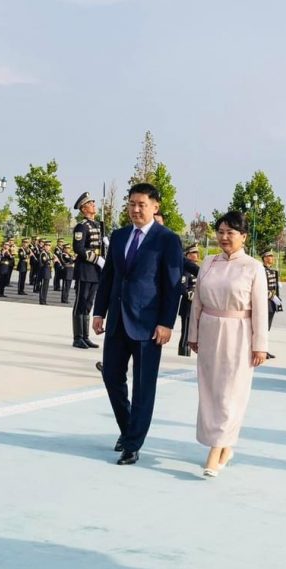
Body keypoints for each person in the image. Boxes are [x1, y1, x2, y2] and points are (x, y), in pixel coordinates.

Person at [92, 182, 183, 466]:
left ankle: (132, 444)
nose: (135, 209)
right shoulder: (119, 237)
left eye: (141, 204)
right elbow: (109, 276)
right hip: (118, 321)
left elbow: (172, 285)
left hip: (148, 326)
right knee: (111, 376)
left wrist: (166, 323)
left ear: (155, 206)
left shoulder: (167, 239)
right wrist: (99, 311)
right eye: (131, 203)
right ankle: (128, 427)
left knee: (144, 386)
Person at [187, 211, 267, 478]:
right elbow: (196, 302)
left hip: (239, 334)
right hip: (209, 331)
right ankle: (224, 445)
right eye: (220, 231)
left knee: (230, 393)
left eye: (230, 232)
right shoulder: (208, 262)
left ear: (243, 236)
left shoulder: (253, 267)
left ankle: (216, 449)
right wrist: (193, 334)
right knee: (210, 392)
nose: (224, 237)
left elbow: (260, 310)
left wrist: (260, 345)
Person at [72, 192, 105, 349]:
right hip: (85, 270)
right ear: (84, 209)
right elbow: (78, 248)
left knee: (88, 304)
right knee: (80, 303)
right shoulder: (81, 226)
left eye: (93, 203)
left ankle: (85, 336)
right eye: (91, 204)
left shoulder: (97, 226)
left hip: (95, 272)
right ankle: (77, 337)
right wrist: (96, 259)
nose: (94, 205)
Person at [176, 244, 201, 356]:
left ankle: (188, 351)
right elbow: (182, 287)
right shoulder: (186, 270)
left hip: (195, 305)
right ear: (188, 255)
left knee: (193, 331)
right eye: (194, 253)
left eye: (197, 253)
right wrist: (192, 296)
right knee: (185, 331)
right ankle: (183, 352)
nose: (197, 255)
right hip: (187, 304)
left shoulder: (198, 269)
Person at [262, 250, 282, 359]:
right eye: (269, 256)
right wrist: (271, 296)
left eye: (272, 256)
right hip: (265, 301)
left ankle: (264, 349)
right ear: (264, 258)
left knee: (267, 327)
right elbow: (261, 287)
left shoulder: (273, 271)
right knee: (263, 327)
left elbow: (276, 287)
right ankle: (261, 349)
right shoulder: (261, 271)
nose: (271, 258)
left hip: (272, 302)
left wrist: (277, 299)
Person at [37, 240, 54, 306]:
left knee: (46, 287)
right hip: (44, 272)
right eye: (46, 245)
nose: (48, 247)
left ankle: (44, 299)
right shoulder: (43, 253)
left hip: (47, 272)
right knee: (43, 287)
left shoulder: (48, 254)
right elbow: (45, 262)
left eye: (49, 246)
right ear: (44, 246)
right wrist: (51, 260)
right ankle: (42, 300)